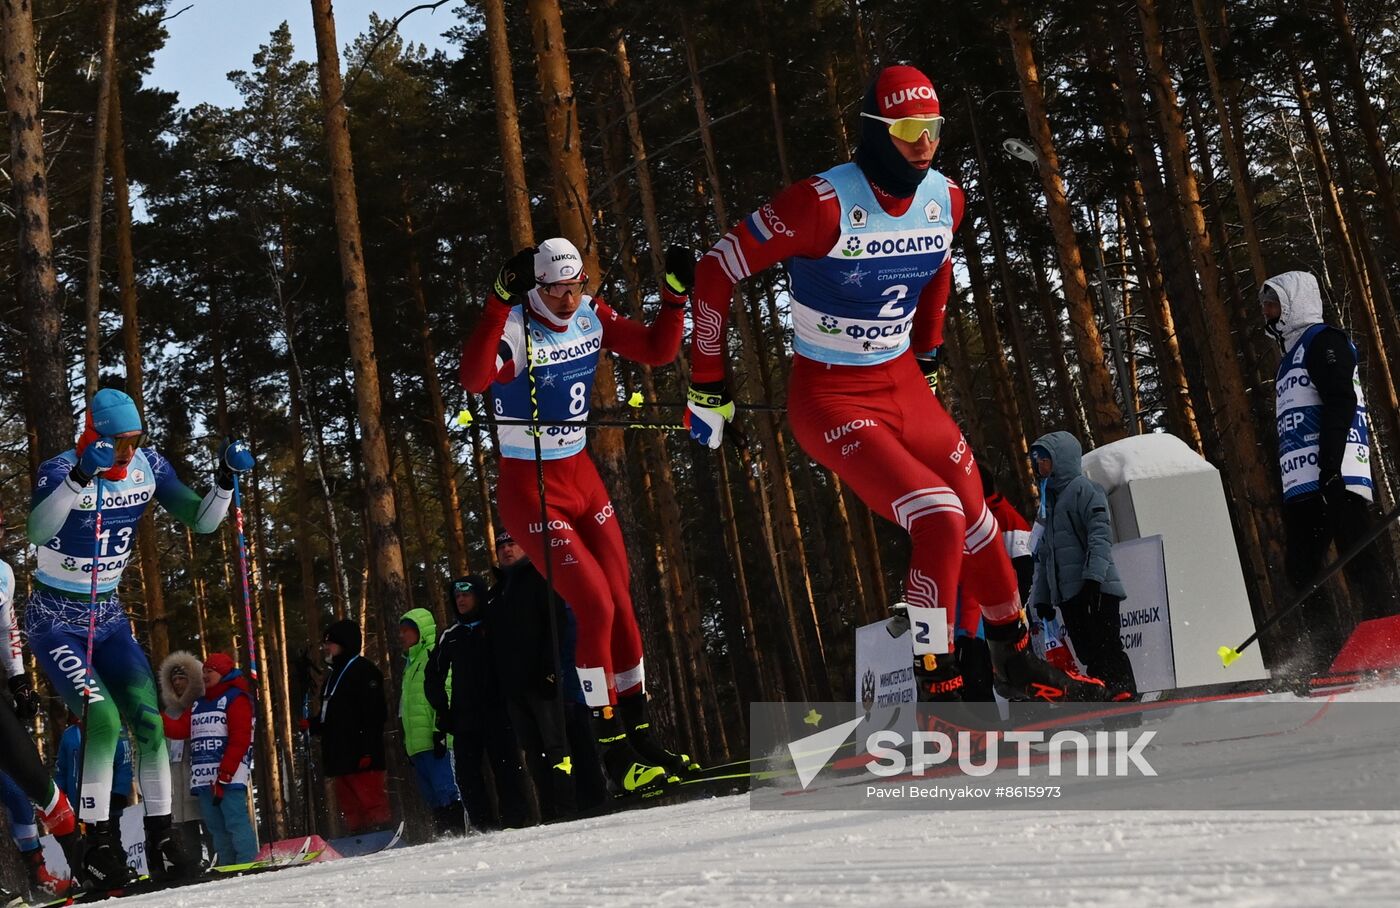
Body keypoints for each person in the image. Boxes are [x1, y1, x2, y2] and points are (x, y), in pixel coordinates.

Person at [684, 64, 1105, 704]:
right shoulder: (819, 204)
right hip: (829, 396)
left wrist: (929, 346)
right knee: (936, 515)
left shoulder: (947, 198)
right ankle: (938, 676)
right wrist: (708, 382)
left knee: (979, 523)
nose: (923, 143)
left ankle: (1015, 658)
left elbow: (939, 262)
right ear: (877, 132)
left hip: (904, 385)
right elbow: (715, 271)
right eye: (907, 129)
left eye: (932, 128)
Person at [459, 238, 697, 792]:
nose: (568, 300)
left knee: (621, 601)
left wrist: (675, 298)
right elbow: (473, 380)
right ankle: (613, 755)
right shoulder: (517, 326)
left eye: (575, 287)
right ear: (536, 287)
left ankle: (642, 738)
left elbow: (657, 350)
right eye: (556, 290)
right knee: (591, 605)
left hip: (581, 478)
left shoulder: (591, 312)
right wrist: (497, 302)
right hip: (531, 487)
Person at [23, 387, 253, 884]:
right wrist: (81, 476)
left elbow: (203, 520)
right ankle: (97, 846)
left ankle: (163, 841)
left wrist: (224, 481)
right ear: (94, 436)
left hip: (107, 617)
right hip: (56, 621)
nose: (128, 452)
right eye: (119, 442)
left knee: (149, 719)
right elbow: (37, 532)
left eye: (135, 439)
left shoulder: (149, 465)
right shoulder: (59, 468)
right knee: (102, 719)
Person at [1262, 271, 1396, 661]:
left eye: (1273, 303)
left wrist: (1331, 464)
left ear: (1292, 304)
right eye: (1266, 305)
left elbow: (1340, 400)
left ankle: (1388, 645)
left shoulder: (1324, 340)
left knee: (1357, 555)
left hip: (1334, 473)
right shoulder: (1288, 358)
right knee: (1301, 568)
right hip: (1303, 484)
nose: (1267, 312)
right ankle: (1328, 654)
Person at [1027, 432, 1137, 702]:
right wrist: (1041, 599)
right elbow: (1044, 557)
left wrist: (1093, 579)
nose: (1039, 466)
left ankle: (1122, 691)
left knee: (1107, 644)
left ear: (1060, 460)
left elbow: (1099, 537)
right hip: (1069, 595)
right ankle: (1103, 694)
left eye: (1044, 459)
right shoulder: (1048, 504)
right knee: (1087, 651)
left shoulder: (1084, 490)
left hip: (1096, 588)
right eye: (1036, 461)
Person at [1, 519, 77, 900]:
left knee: (27, 782)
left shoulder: (3, 574)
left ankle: (83, 862)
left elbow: (6, 630)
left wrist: (18, 680)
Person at [487, 530, 578, 822]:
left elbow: (557, 625)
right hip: (513, 688)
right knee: (532, 752)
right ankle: (549, 812)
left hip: (543, 681)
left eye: (512, 544)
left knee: (556, 747)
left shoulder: (540, 579)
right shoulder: (496, 594)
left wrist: (551, 668)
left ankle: (568, 809)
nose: (507, 550)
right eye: (501, 546)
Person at [425, 576, 527, 831]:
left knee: (507, 770)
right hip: (464, 717)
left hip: (499, 712)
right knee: (467, 775)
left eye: (466, 595)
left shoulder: (496, 626)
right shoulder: (451, 635)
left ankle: (515, 822)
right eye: (457, 596)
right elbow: (433, 675)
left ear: (478, 596)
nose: (460, 600)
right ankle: (483, 825)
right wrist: (442, 709)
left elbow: (517, 660)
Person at [161, 653, 256, 865]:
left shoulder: (235, 698)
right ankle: (227, 865)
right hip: (204, 779)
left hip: (228, 777)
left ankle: (247, 860)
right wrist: (156, 718)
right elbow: (179, 729)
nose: (204, 675)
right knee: (216, 827)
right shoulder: (198, 704)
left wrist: (227, 771)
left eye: (209, 671)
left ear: (222, 673)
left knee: (235, 821)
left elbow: (240, 738)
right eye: (203, 671)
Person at [309, 621, 391, 835]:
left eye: (331, 643)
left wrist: (367, 749)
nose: (327, 648)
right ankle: (359, 840)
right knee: (350, 807)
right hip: (340, 756)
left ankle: (382, 835)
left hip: (362, 755)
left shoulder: (364, 670)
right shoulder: (332, 677)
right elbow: (332, 716)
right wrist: (312, 725)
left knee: (371, 801)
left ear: (344, 643)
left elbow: (375, 714)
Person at [397, 608, 464, 837]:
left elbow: (445, 692)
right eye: (402, 631)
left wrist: (440, 731)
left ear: (421, 631)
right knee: (432, 795)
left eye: (407, 630)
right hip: (418, 744)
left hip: (437, 740)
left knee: (448, 790)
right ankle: (445, 835)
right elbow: (406, 706)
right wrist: (406, 740)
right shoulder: (409, 666)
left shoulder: (435, 656)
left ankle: (459, 833)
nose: (402, 635)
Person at [157, 651, 210, 862]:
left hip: (199, 775)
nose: (178, 683)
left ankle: (218, 860)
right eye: (175, 679)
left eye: (183, 678)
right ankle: (192, 863)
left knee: (208, 824)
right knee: (185, 828)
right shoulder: (169, 712)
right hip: (176, 779)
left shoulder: (201, 705)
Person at [55, 715, 135, 823]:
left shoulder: (116, 729)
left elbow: (124, 764)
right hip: (78, 805)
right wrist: (58, 797)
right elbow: (61, 770)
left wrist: (119, 792)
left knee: (109, 836)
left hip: (108, 804)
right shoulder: (69, 734)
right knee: (85, 838)